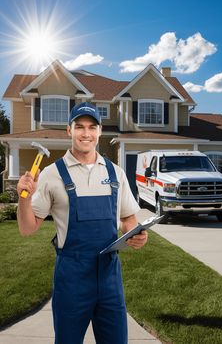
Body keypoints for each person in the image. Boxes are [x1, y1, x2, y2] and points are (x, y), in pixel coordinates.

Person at [16, 102, 148, 344]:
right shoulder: (50, 174)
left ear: (99, 132)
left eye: (92, 127)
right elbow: (27, 228)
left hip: (109, 277)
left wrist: (136, 235)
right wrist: (22, 199)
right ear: (69, 130)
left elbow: (129, 219)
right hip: (72, 278)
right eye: (79, 127)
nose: (86, 133)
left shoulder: (116, 173)